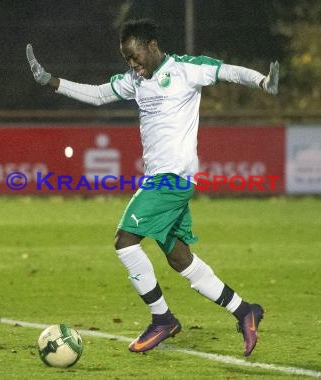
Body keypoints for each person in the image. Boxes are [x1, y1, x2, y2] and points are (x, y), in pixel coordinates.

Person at [26, 18, 279, 357]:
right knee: (179, 258)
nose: (133, 64)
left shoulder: (187, 70)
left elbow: (228, 71)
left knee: (125, 241)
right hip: (161, 180)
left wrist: (263, 81)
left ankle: (163, 319)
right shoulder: (136, 81)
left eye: (135, 56)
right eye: (127, 59)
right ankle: (244, 309)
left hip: (171, 180)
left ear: (152, 47)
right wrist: (53, 82)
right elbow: (100, 94)